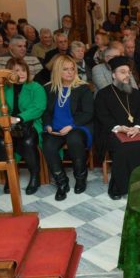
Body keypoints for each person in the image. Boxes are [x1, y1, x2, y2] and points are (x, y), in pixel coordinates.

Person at [94, 56, 140, 200]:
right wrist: (118, 127)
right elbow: (102, 116)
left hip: (135, 131)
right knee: (124, 149)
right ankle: (119, 187)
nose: (127, 75)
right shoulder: (103, 94)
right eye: (122, 72)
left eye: (128, 72)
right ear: (113, 75)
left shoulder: (135, 93)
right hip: (113, 132)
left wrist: (138, 127)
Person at [0, 58, 46, 195]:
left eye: (23, 70)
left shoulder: (36, 87)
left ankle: (35, 176)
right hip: (7, 126)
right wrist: (6, 119)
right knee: (1, 142)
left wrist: (19, 118)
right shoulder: (2, 89)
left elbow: (39, 107)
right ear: (9, 73)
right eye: (16, 71)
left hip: (30, 123)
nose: (21, 73)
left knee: (28, 142)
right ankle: (10, 177)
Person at [42, 55, 93, 201]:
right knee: (48, 145)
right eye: (65, 69)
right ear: (58, 71)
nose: (70, 72)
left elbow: (88, 113)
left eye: (72, 69)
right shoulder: (49, 88)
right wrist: (48, 125)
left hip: (78, 126)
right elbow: (46, 112)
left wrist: (71, 126)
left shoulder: (83, 88)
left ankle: (80, 177)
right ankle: (62, 183)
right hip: (55, 128)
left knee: (74, 139)